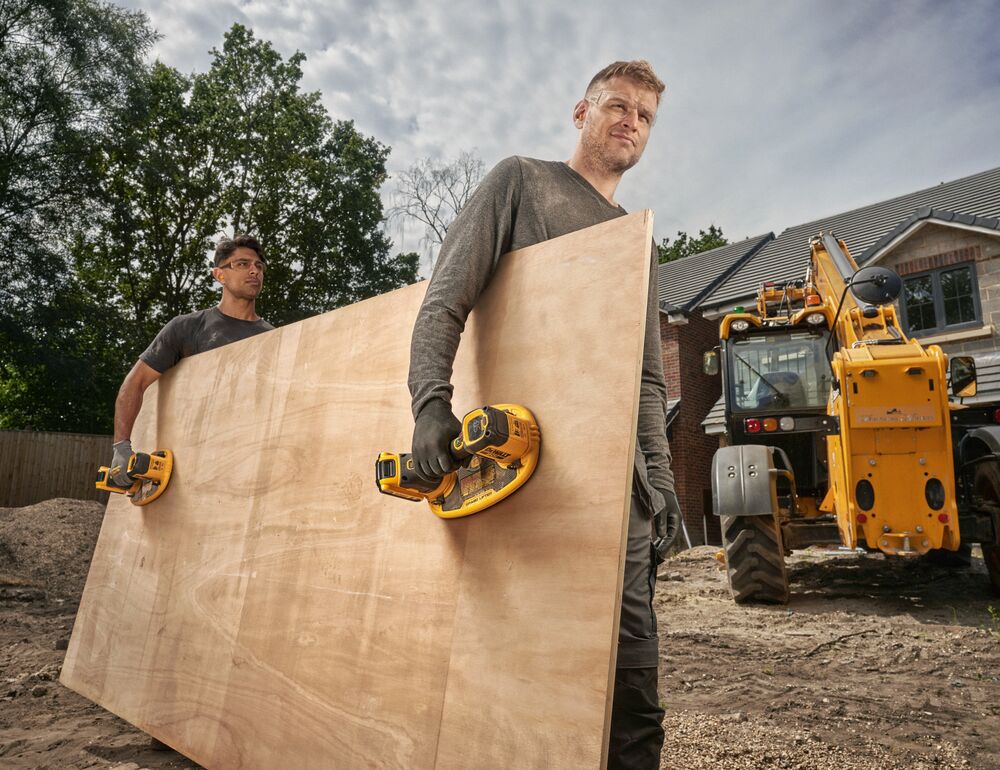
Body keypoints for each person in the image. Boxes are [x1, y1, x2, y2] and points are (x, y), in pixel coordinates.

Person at [406, 60, 681, 769]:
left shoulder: (637, 241)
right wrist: (431, 404)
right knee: (530, 681)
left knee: (633, 694)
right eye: (617, 106)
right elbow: (444, 300)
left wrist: (663, 484)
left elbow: (649, 380)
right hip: (528, 477)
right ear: (580, 113)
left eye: (645, 116)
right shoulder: (523, 183)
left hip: (618, 494)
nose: (631, 122)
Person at [107, 234, 274, 487]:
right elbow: (135, 383)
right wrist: (121, 448)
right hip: (188, 470)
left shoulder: (274, 339)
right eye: (242, 264)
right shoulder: (187, 328)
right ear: (220, 275)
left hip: (248, 466)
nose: (254, 271)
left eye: (258, 266)